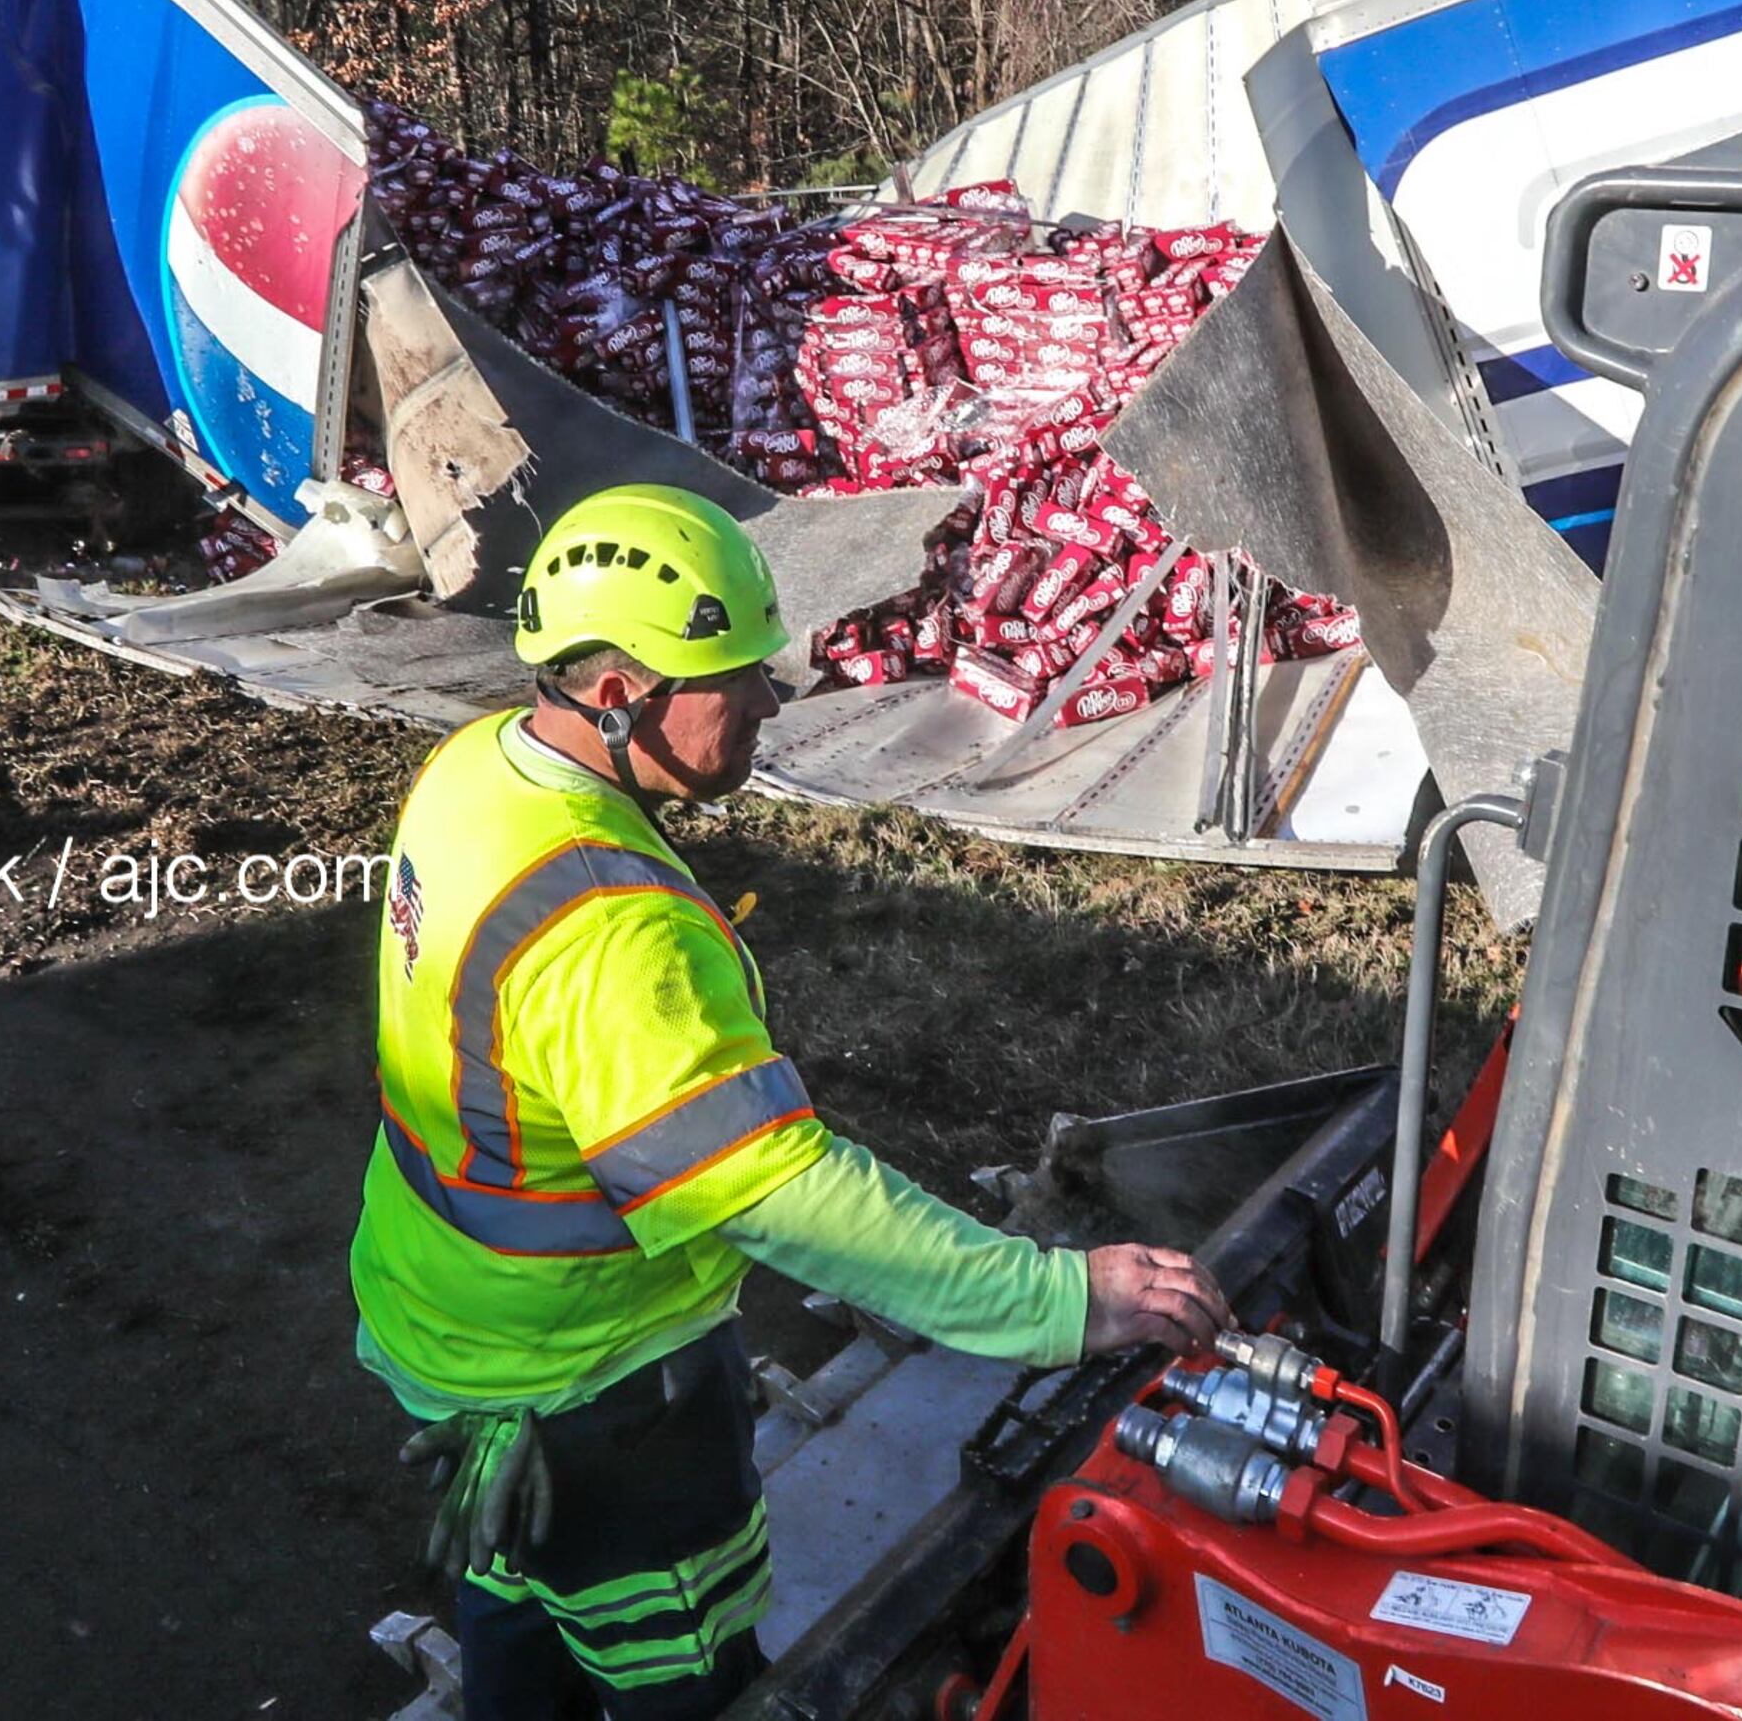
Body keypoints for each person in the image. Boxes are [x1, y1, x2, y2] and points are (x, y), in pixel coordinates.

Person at [347, 483, 1233, 1719]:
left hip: (454, 1325)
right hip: (598, 1383)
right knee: (686, 1669)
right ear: (619, 694)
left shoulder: (476, 770)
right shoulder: (609, 929)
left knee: (529, 1594)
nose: (772, 698)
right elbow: (780, 1190)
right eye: (735, 677)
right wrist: (1054, 1298)